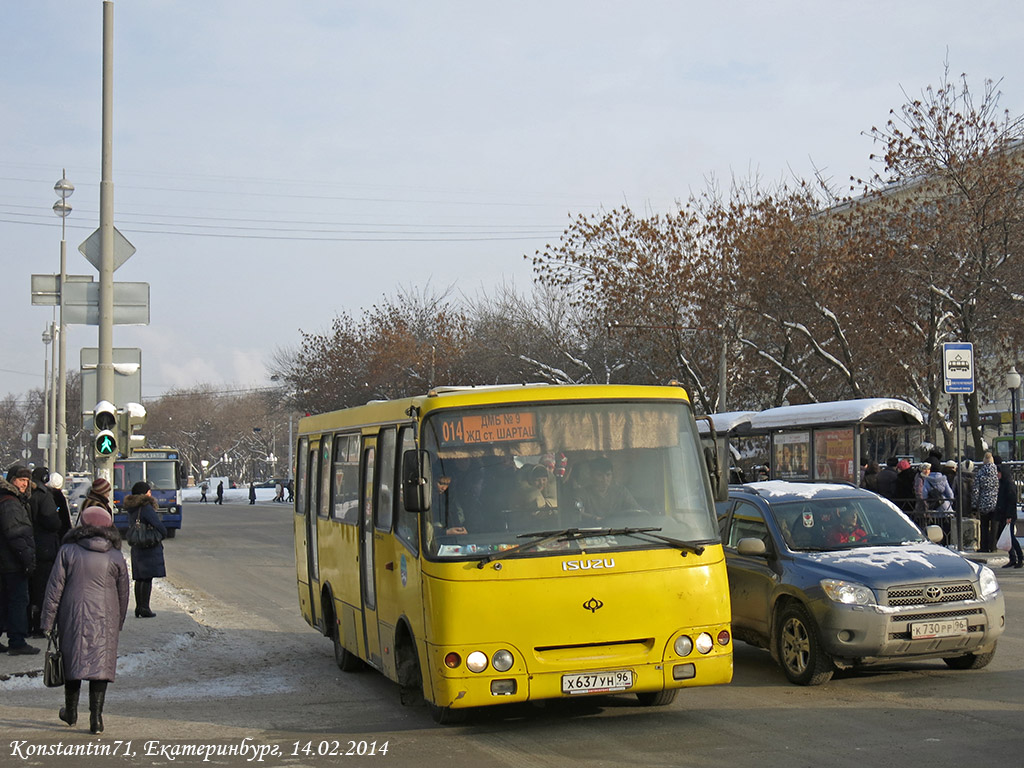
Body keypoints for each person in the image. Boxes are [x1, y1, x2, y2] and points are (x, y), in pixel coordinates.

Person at [40, 505, 129, 734]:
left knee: (73, 663)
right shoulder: (116, 555)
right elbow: (123, 593)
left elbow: (54, 588)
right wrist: (118, 622)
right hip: (105, 617)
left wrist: (47, 622)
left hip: (72, 614)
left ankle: (70, 713)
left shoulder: (68, 551)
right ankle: (96, 719)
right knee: (100, 665)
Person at [0, 465, 39, 655]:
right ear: (12, 480)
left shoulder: (12, 500)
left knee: (5, 600)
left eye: (26, 480)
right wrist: (26, 559)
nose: (25, 484)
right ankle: (17, 641)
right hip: (12, 561)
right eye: (21, 480)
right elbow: (15, 533)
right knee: (17, 600)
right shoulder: (10, 503)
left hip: (7, 560)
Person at [27, 467, 63, 638]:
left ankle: (29, 624)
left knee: (32, 588)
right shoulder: (44, 495)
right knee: (45, 587)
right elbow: (53, 522)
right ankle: (41, 625)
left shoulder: (27, 495)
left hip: (30, 545)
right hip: (45, 547)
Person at [123, 481, 167, 617]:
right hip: (148, 545)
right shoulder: (146, 507)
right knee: (147, 577)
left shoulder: (132, 507)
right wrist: (163, 533)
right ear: (144, 493)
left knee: (140, 578)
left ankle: (139, 607)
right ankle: (145, 608)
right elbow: (156, 524)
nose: (150, 493)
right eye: (149, 491)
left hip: (137, 545)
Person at [573, 457, 638, 524]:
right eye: (599, 475)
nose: (604, 479)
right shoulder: (583, 493)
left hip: (618, 531)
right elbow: (577, 512)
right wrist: (595, 519)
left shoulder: (621, 492)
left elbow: (637, 512)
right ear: (591, 475)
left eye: (608, 475)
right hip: (590, 532)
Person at [996, 461, 1022, 568]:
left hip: (1009, 515)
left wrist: (1009, 516)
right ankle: (1013, 558)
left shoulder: (1009, 485)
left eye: (999, 472)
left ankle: (1019, 557)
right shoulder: (1003, 483)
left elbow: (1011, 501)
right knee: (1007, 537)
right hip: (1004, 514)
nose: (997, 474)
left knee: (1011, 537)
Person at [974, 452, 1000, 552]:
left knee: (984, 526)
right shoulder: (997, 472)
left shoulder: (980, 472)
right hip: (995, 502)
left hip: (984, 503)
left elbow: (976, 490)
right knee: (994, 526)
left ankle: (984, 546)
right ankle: (993, 546)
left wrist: (974, 504)